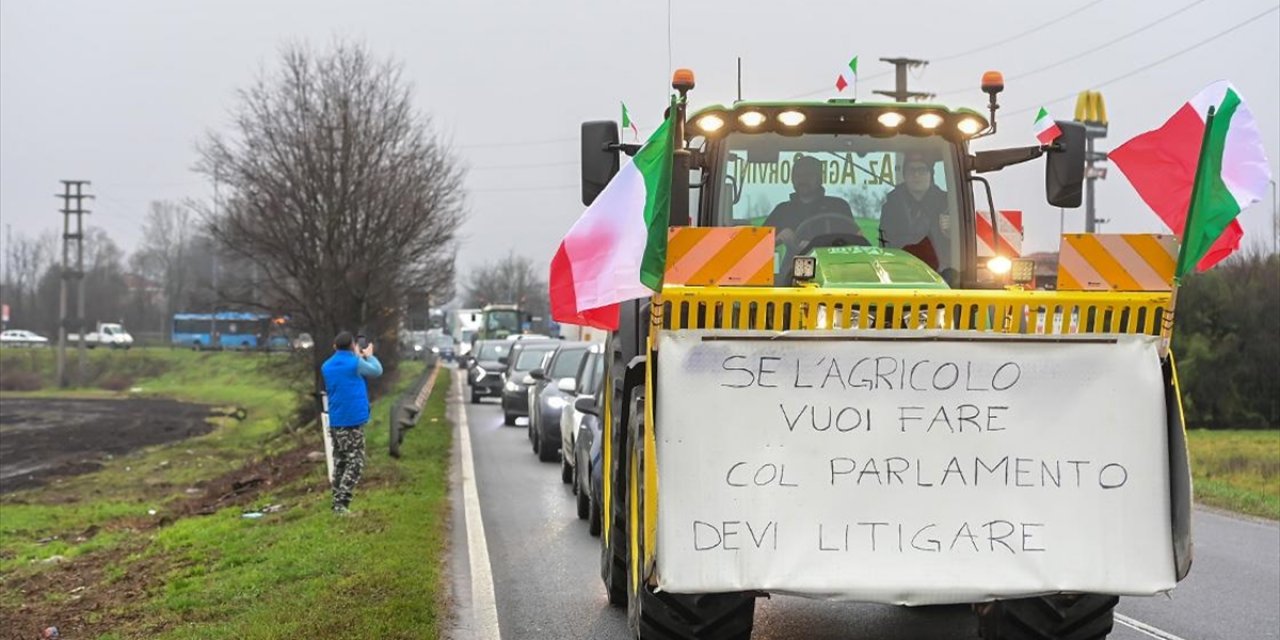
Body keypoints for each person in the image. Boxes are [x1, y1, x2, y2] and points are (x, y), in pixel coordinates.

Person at [321, 330, 383, 515]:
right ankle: (342, 504)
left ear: (334, 347)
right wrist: (369, 356)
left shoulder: (326, 366)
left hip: (336, 419)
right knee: (355, 462)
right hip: (353, 420)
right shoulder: (355, 363)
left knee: (340, 461)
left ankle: (336, 502)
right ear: (352, 346)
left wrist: (355, 354)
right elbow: (376, 371)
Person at [763, 155, 866, 249]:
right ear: (792, 179)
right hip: (790, 268)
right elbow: (754, 250)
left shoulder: (838, 207)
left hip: (831, 267)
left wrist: (817, 245)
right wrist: (776, 240)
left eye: (808, 175)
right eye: (798, 176)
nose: (803, 180)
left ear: (820, 178)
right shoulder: (782, 211)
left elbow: (856, 244)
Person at [879, 152, 952, 270]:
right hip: (899, 269)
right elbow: (884, 243)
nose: (916, 175)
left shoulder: (949, 204)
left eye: (922, 170)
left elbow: (959, 246)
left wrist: (952, 230)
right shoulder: (891, 206)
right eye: (911, 170)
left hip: (940, 272)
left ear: (931, 175)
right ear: (905, 175)